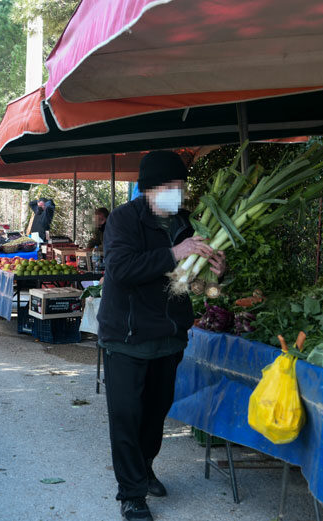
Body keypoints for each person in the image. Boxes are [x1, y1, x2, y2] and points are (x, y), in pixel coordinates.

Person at [97, 151, 225, 521]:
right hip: (126, 336)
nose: (176, 193)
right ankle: (132, 494)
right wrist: (175, 252)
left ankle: (145, 467)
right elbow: (120, 269)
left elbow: (195, 284)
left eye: (180, 187)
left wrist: (217, 269)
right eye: (168, 187)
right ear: (148, 189)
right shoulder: (123, 219)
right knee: (126, 415)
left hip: (169, 338)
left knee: (155, 414)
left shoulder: (185, 222)